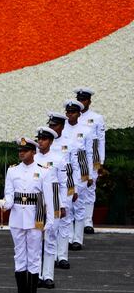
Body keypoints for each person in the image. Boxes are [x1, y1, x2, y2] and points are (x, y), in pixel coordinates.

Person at [0, 137, 54, 293]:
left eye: (25, 150)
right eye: (20, 151)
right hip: (16, 218)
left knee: (34, 257)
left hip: (35, 217)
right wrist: (6, 203)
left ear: (33, 152)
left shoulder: (43, 171)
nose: (21, 153)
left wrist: (50, 220)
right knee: (19, 256)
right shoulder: (12, 171)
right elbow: (9, 193)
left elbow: (49, 199)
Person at [35, 126, 68, 289]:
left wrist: (62, 205)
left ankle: (48, 275)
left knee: (50, 238)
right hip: (37, 201)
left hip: (53, 200)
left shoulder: (59, 158)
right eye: (39, 139)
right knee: (36, 240)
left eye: (44, 139)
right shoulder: (32, 158)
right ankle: (37, 275)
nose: (40, 142)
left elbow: (62, 185)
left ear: (51, 141)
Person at [48, 112, 81, 269]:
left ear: (62, 126)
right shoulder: (46, 143)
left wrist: (74, 188)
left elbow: (75, 167)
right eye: (51, 125)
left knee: (65, 222)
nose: (52, 128)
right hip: (50, 187)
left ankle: (62, 256)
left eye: (54, 125)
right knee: (52, 223)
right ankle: (52, 255)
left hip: (66, 186)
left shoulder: (70, 143)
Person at [61, 100, 94, 251]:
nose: (70, 115)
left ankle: (77, 239)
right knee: (67, 205)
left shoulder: (86, 130)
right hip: (66, 170)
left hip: (81, 171)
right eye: (68, 112)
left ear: (79, 113)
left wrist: (90, 175)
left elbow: (90, 154)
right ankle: (67, 237)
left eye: (73, 112)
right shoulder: (61, 129)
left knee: (79, 205)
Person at [75, 87, 105, 234]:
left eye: (84, 99)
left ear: (89, 101)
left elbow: (100, 141)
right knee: (73, 189)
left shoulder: (97, 118)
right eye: (79, 99)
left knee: (89, 189)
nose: (81, 102)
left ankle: (88, 221)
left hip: (91, 158)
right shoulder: (72, 117)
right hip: (75, 159)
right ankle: (76, 220)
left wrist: (100, 162)